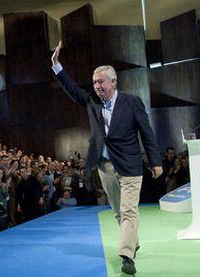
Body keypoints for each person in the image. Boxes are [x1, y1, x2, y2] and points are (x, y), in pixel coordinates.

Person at [51, 41, 163, 275]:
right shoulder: (91, 101)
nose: (97, 85)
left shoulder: (132, 102)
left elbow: (147, 132)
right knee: (118, 212)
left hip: (130, 164)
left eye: (101, 81)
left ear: (113, 82)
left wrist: (156, 161)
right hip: (105, 167)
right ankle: (133, 243)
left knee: (130, 210)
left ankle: (126, 256)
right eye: (94, 82)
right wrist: (57, 66)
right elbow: (72, 90)